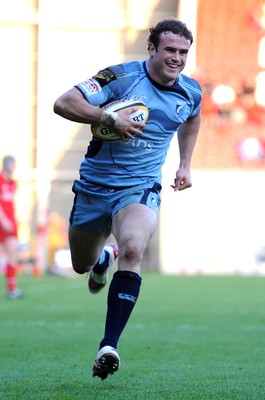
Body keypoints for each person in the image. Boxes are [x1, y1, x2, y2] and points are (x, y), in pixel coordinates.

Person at [53, 19, 202, 380]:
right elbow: (64, 102)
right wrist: (109, 118)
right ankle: (103, 257)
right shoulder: (119, 77)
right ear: (151, 49)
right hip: (93, 187)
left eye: (183, 52)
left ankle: (109, 345)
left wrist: (184, 164)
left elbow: (192, 119)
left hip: (139, 188)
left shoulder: (191, 92)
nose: (177, 58)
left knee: (134, 249)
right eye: (170, 50)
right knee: (80, 265)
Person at [0, 155, 23, 299]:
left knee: (13, 254)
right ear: (7, 165)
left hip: (11, 222)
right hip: (3, 222)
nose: (14, 168)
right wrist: (3, 220)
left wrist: (15, 219)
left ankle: (11, 289)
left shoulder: (14, 183)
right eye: (13, 165)